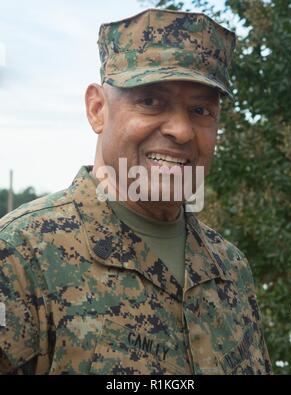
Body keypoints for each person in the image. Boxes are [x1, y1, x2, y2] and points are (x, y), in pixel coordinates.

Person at [0, 8, 272, 375]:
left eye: (200, 109)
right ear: (98, 109)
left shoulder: (231, 268)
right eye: (151, 101)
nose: (181, 130)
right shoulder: (22, 255)